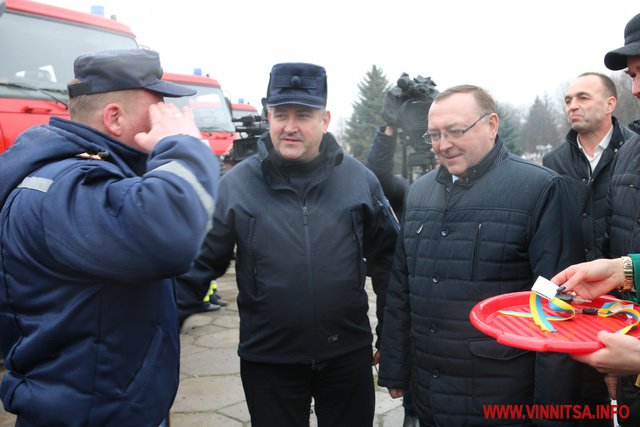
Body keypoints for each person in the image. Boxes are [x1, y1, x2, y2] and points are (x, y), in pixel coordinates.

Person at [0, 49, 219, 426]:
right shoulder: (68, 190)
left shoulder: (84, 180)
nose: (167, 116)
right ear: (114, 117)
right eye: (156, 107)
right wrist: (183, 144)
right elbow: (173, 233)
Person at [175, 62, 398, 426]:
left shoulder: (360, 181)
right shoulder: (237, 186)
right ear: (268, 117)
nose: (290, 126)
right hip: (269, 362)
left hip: (346, 358)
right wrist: (167, 324)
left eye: (304, 115)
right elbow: (201, 264)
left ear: (324, 119)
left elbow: (389, 263)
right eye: (281, 114)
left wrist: (391, 338)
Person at [378, 84, 584, 426]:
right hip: (429, 393)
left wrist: (553, 414)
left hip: (503, 398)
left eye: (456, 131)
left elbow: (561, 309)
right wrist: (396, 370)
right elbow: (402, 288)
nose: (443, 145)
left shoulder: (541, 189)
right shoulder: (419, 193)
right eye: (434, 134)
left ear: (491, 124)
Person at [552, 12, 640, 427]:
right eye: (568, 99)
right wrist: (625, 270)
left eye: (582, 97)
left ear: (610, 104)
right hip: (592, 308)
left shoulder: (628, 150)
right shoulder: (552, 165)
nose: (572, 105)